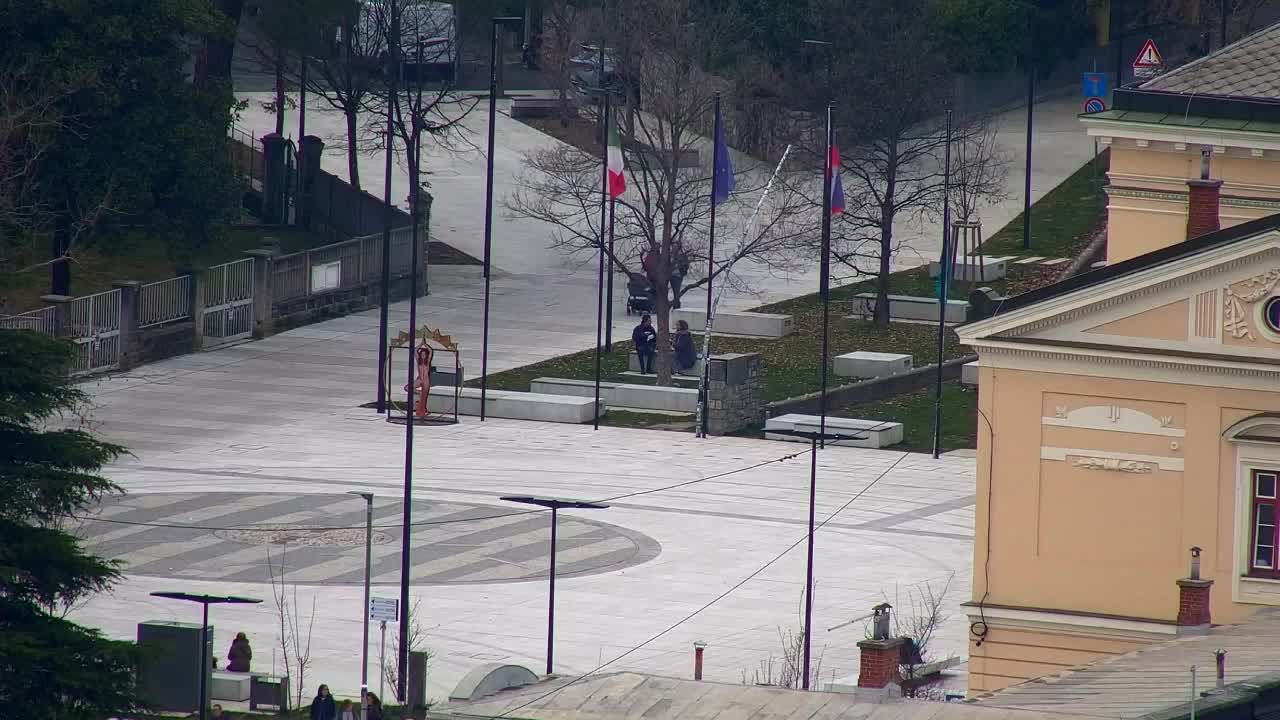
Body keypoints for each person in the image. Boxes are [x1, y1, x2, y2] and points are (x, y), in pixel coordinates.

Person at [669, 240, 690, 309]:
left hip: (677, 276)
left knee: (676, 291)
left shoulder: (682, 255)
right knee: (667, 291)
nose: (673, 248)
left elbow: (686, 265)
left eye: (675, 246)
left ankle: (676, 305)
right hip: (669, 275)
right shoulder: (670, 254)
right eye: (673, 246)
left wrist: (679, 266)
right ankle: (672, 304)